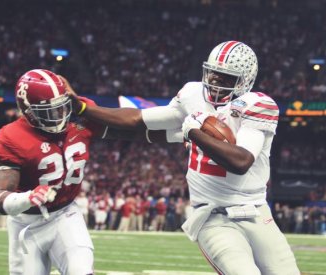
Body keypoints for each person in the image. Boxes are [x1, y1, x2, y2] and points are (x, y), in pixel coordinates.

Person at [68, 41, 300, 274]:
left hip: (255, 211)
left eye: (226, 77)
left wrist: (193, 133)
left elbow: (241, 162)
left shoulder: (257, 105)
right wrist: (84, 110)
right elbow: (139, 119)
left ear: (245, 80)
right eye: (214, 73)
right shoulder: (192, 95)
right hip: (212, 216)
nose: (216, 82)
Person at [0, 69, 159, 275]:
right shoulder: (12, 136)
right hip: (26, 224)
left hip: (65, 214)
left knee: (81, 270)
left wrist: (84, 109)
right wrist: (28, 197)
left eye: (62, 107)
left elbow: (132, 125)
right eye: (49, 111)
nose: (60, 115)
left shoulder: (78, 115)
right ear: (28, 111)